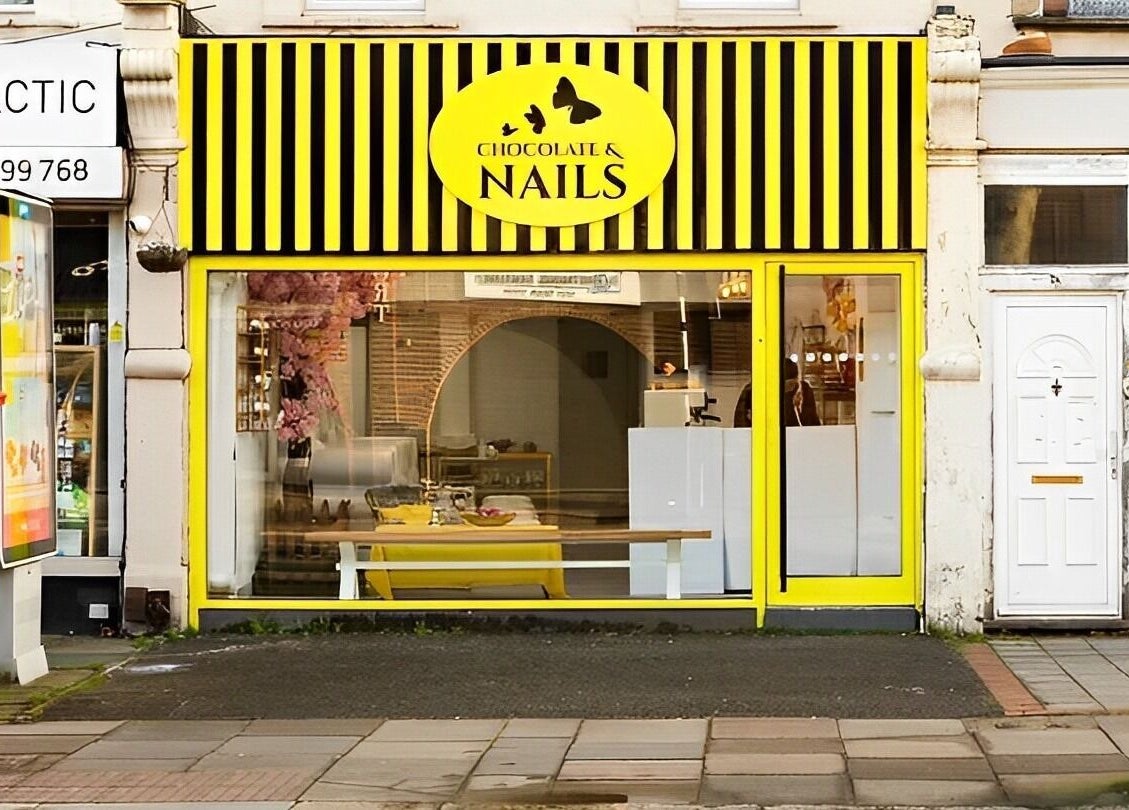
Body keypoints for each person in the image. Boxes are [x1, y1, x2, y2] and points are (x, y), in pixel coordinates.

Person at [782, 358, 821, 427]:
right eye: (788, 385)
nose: (791, 388)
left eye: (793, 384)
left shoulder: (805, 389)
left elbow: (811, 416)